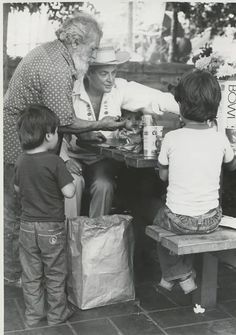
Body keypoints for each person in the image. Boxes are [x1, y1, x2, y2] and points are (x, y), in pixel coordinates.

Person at [4, 13, 125, 285]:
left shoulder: (52, 54)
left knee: (19, 208)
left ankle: (20, 271)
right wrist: (100, 124)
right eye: (92, 48)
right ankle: (14, 274)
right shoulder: (57, 67)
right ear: (75, 42)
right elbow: (64, 122)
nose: (93, 56)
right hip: (17, 143)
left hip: (21, 139)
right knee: (18, 210)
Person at [61, 45, 180, 218]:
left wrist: (190, 109)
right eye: (104, 73)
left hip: (101, 160)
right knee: (73, 183)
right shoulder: (71, 90)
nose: (110, 79)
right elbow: (57, 128)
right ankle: (69, 236)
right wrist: (64, 160)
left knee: (104, 185)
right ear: (88, 73)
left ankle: (97, 236)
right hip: (71, 156)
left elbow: (157, 99)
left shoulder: (120, 88)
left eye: (114, 72)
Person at [154, 69, 236, 294]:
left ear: (180, 105)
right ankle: (174, 277)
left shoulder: (171, 138)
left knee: (157, 221)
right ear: (215, 107)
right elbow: (231, 165)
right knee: (181, 219)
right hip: (211, 219)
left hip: (180, 221)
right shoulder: (220, 138)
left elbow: (163, 176)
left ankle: (179, 275)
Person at [14, 105, 76, 326]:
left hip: (27, 227)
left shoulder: (21, 161)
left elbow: (18, 190)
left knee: (31, 273)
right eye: (57, 132)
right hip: (51, 228)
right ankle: (57, 314)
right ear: (49, 135)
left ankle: (33, 315)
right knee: (55, 271)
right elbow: (70, 192)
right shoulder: (54, 161)